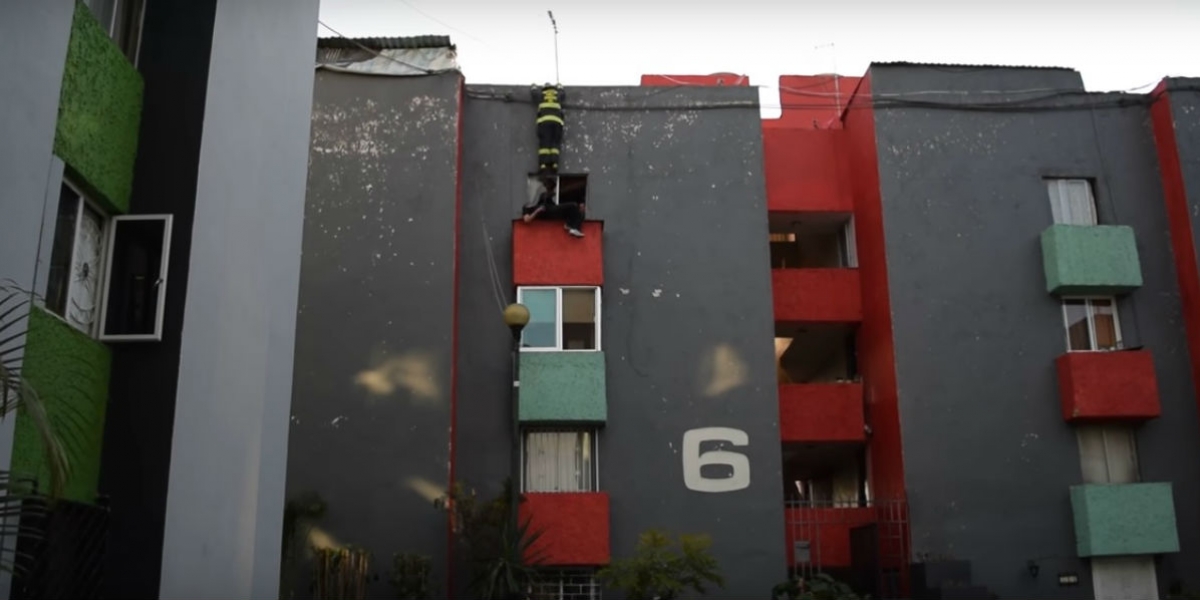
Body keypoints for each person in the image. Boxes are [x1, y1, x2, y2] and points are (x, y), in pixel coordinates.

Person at [530, 83, 565, 176]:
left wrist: (533, 87)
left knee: (544, 145)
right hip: (557, 123)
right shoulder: (557, 95)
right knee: (555, 144)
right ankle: (554, 164)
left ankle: (543, 165)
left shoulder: (542, 95)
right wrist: (560, 87)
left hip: (544, 123)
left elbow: (534, 94)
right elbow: (563, 94)